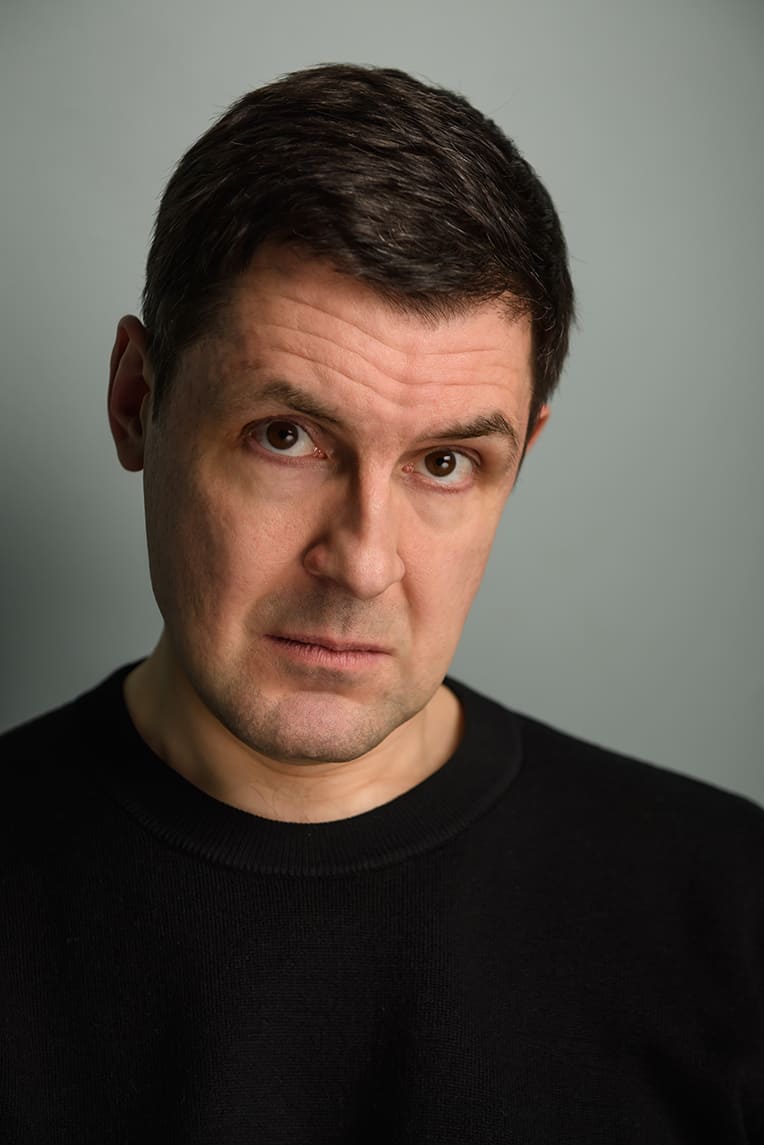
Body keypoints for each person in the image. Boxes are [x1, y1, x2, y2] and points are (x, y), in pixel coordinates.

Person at [1, 62, 762, 1144]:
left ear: (519, 459)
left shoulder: (730, 905)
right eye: (285, 437)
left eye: (445, 462)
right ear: (136, 401)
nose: (362, 563)